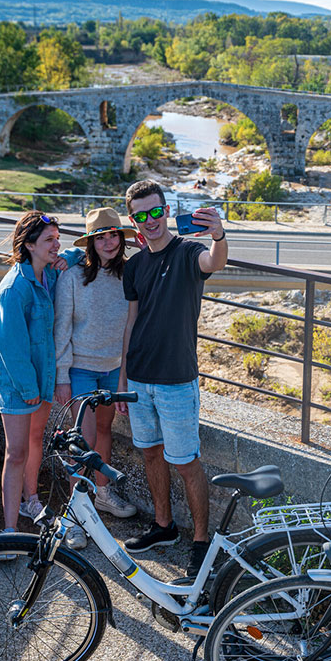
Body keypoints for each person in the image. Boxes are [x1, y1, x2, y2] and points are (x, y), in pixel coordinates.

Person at [116, 179, 228, 576]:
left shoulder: (188, 251)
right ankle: (163, 526)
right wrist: (123, 381)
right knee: (149, 453)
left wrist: (218, 234)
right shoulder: (134, 266)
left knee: (186, 463)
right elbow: (131, 324)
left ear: (166, 210)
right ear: (134, 220)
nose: (151, 221)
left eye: (156, 211)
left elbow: (214, 263)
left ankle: (201, 541)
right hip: (140, 378)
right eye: (141, 215)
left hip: (177, 380)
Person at [54, 207, 139, 549]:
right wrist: (62, 376)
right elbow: (61, 328)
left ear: (121, 238)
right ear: (90, 242)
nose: (108, 242)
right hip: (81, 369)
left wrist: (126, 377)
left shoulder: (130, 274)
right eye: (100, 237)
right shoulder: (73, 275)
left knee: (104, 432)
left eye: (114, 235)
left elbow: (134, 328)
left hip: (115, 369)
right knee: (82, 441)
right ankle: (74, 516)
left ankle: (102, 493)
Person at [0, 211, 81, 538]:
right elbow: (10, 348)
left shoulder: (50, 274)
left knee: (34, 440)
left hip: (42, 378)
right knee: (16, 452)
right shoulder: (14, 289)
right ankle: (10, 528)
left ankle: (32, 500)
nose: (57, 244)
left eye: (58, 238)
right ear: (29, 245)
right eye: (49, 240)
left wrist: (64, 256)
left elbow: (81, 252)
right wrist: (28, 388)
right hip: (19, 384)